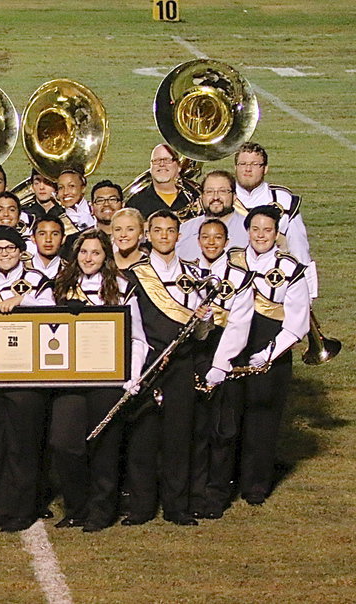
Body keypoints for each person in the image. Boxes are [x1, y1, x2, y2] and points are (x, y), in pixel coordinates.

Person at [123, 209, 239, 526]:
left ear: (178, 235)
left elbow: (203, 333)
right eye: (157, 230)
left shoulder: (195, 276)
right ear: (148, 234)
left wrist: (204, 320)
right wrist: (146, 358)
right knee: (143, 438)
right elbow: (132, 328)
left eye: (170, 230)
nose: (164, 236)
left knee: (179, 436)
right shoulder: (136, 276)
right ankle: (142, 506)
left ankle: (177, 506)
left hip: (183, 363)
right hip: (147, 363)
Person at [48, 230, 147, 532]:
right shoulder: (61, 286)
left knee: (104, 446)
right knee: (63, 442)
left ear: (106, 256)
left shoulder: (122, 288)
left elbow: (138, 339)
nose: (89, 258)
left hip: (108, 378)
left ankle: (102, 511)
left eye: (96, 253)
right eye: (84, 252)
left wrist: (132, 376)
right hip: (70, 380)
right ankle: (77, 507)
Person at [0, 225, 55, 532]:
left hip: (26, 374)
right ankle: (0, 510)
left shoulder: (36, 281)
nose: (4, 254)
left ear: (21, 251)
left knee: (24, 445)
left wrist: (22, 301)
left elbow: (53, 313)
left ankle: (24, 510)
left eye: (9, 248)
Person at [231, 206, 310, 505]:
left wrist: (270, 353)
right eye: (255, 229)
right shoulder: (232, 263)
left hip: (271, 352)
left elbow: (297, 322)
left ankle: (255, 485)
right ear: (247, 231)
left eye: (267, 230)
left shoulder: (291, 269)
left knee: (262, 421)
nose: (261, 235)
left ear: (276, 234)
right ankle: (231, 477)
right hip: (233, 351)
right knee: (230, 417)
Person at [188, 218, 255, 519]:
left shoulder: (240, 277)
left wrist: (220, 365)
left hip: (224, 357)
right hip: (193, 354)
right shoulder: (186, 272)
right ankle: (195, 492)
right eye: (205, 237)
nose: (211, 242)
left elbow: (240, 325)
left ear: (227, 242)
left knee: (222, 430)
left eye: (218, 237)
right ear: (198, 240)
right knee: (195, 429)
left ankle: (216, 495)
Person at [233, 142, 315, 297]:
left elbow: (299, 248)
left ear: (265, 169)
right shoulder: (221, 197)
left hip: (274, 285)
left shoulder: (283, 200)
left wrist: (307, 294)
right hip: (232, 283)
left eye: (254, 164)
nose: (247, 169)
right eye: (242, 163)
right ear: (235, 167)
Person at [177, 171, 248, 263]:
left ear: (234, 197)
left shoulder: (249, 230)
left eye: (222, 191)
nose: (215, 197)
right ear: (202, 197)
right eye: (209, 191)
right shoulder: (185, 231)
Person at [126, 143, 198, 219]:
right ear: (150, 167)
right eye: (156, 160)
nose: (162, 164)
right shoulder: (135, 203)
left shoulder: (196, 196)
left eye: (167, 160)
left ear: (179, 166)